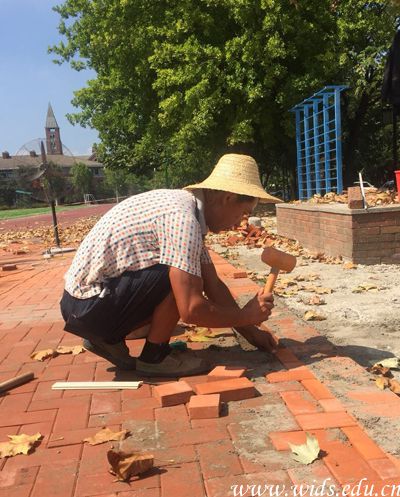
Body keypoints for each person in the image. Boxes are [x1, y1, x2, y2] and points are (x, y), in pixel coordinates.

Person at [60, 153, 281, 377]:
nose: (240, 223)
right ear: (228, 198)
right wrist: (246, 316)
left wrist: (251, 333)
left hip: (82, 305)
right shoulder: (183, 218)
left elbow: (213, 284)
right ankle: (155, 358)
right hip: (89, 307)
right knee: (180, 279)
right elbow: (191, 310)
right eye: (244, 213)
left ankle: (107, 340)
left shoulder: (189, 212)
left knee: (187, 273)